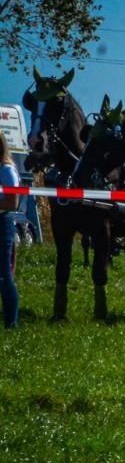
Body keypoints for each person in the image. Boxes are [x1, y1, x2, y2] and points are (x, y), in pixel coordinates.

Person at [0, 131, 21, 327]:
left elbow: (12, 203)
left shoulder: (7, 170)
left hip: (2, 223)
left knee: (4, 275)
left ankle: (11, 323)